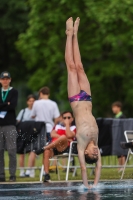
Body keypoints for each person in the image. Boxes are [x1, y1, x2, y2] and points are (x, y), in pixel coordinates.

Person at [65, 17, 101, 189]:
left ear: (86, 153)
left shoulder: (81, 144)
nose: (95, 153)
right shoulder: (96, 140)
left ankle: (68, 35)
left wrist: (88, 186)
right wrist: (97, 183)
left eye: (92, 155)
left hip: (76, 100)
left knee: (71, 66)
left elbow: (83, 168)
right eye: (96, 155)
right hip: (87, 98)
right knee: (80, 66)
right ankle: (76, 34)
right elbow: (98, 166)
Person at [42, 111, 76, 182]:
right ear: (62, 119)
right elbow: (52, 134)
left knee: (63, 137)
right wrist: (65, 138)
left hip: (66, 148)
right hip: (54, 147)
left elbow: (69, 135)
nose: (67, 119)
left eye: (69, 118)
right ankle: (46, 175)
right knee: (47, 151)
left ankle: (44, 147)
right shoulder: (57, 126)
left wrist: (67, 125)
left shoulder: (74, 128)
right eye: (65, 118)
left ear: (72, 119)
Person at [0, 71, 18, 182]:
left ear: (10, 80)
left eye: (7, 79)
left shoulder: (14, 91)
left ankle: (12, 174)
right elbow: (9, 105)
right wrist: (6, 104)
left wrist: (4, 106)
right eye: (3, 79)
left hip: (10, 124)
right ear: (0, 80)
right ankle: (1, 174)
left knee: (12, 150)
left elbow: (13, 106)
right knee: (0, 150)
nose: (5, 81)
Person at [16, 94, 36, 177]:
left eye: (33, 101)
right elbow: (18, 121)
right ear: (27, 102)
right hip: (23, 134)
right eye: (30, 101)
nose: (31, 103)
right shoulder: (23, 111)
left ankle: (30, 170)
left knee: (32, 152)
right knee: (22, 153)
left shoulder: (37, 112)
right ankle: (22, 171)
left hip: (32, 134)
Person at [112, 101, 126, 172]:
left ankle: (122, 166)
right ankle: (119, 166)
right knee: (118, 152)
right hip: (116, 136)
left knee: (122, 152)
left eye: (114, 107)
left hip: (121, 136)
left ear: (119, 108)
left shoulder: (122, 116)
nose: (113, 109)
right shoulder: (115, 117)